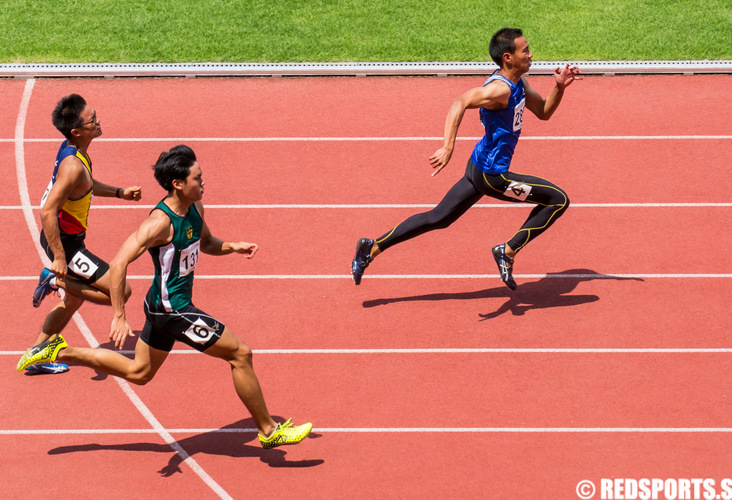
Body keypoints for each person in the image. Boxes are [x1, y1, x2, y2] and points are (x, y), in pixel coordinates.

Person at [18, 145, 312, 449]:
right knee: (240, 353)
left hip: (162, 307)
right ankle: (269, 430)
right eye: (198, 178)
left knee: (139, 371)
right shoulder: (159, 222)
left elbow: (207, 242)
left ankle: (59, 350)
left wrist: (232, 246)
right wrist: (119, 316)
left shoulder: (195, 207)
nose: (203, 183)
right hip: (173, 310)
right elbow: (119, 263)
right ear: (178, 184)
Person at [351, 28, 581, 290]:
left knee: (438, 217)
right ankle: (507, 251)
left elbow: (543, 112)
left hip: (477, 167)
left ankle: (371, 248)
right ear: (508, 57)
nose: (531, 54)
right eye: (525, 50)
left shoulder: (520, 83)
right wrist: (448, 147)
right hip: (493, 177)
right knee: (558, 200)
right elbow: (458, 102)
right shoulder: (499, 91)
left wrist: (559, 87)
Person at [27, 94, 142, 374]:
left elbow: (85, 185)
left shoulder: (75, 152)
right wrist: (58, 259)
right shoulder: (72, 166)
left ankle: (37, 355)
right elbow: (47, 212)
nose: (98, 121)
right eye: (93, 119)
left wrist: (118, 193)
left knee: (75, 301)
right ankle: (54, 279)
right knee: (119, 291)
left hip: (70, 239)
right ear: (77, 131)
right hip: (65, 244)